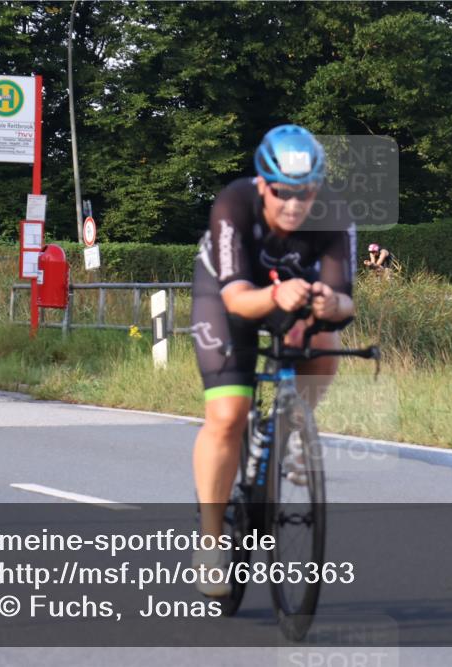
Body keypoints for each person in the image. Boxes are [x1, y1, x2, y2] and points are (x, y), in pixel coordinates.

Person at [189, 125, 356, 596]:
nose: (293, 204)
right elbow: (240, 301)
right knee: (228, 414)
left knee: (324, 338)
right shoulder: (233, 204)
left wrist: (330, 304)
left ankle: (295, 427)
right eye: (282, 192)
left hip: (290, 297)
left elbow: (347, 305)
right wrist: (279, 293)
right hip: (226, 297)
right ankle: (210, 539)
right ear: (262, 183)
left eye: (304, 193)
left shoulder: (334, 215)